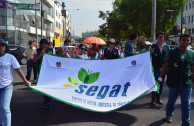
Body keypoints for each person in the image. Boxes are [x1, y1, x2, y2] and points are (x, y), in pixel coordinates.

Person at [157, 34, 194, 125]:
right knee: (171, 101)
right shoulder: (172, 52)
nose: (185, 42)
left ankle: (186, 123)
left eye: (187, 40)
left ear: (190, 42)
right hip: (174, 82)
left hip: (187, 83)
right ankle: (169, 114)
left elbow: (193, 69)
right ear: (179, 41)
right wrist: (160, 77)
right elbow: (165, 65)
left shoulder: (192, 53)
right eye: (184, 40)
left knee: (186, 105)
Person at [0, 38, 30, 126]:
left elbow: (18, 70)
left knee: (4, 107)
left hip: (7, 86)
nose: (0, 48)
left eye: (2, 46)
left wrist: (25, 81)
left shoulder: (10, 57)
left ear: (5, 47)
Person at [151, 31, 170, 106]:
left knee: (161, 85)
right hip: (155, 69)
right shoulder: (153, 46)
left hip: (163, 70)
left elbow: (168, 58)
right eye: (160, 37)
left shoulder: (166, 47)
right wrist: (151, 53)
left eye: (162, 37)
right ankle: (153, 99)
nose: (161, 38)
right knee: (156, 84)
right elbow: (149, 57)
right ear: (157, 38)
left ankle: (158, 98)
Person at [33, 39, 53, 109]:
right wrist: (41, 54)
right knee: (44, 87)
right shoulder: (37, 50)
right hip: (41, 71)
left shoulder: (51, 50)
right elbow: (34, 61)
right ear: (40, 45)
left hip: (50, 72)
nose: (44, 46)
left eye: (45, 44)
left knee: (49, 87)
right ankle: (46, 101)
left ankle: (48, 102)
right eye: (43, 44)